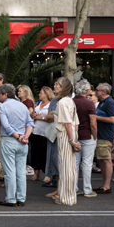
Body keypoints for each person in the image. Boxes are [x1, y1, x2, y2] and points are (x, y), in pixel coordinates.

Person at [0, 83, 34, 207]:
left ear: (5, 94)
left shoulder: (3, 107)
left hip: (10, 140)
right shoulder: (22, 106)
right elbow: (30, 123)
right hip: (23, 141)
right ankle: (21, 198)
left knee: (10, 171)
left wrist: (17, 136)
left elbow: (6, 125)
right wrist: (25, 136)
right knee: (21, 171)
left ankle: (11, 198)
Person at [50, 77, 79, 206]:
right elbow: (75, 122)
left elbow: (67, 123)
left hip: (65, 135)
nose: (55, 86)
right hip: (71, 133)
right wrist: (74, 137)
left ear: (63, 88)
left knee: (65, 167)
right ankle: (70, 196)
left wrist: (71, 139)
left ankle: (66, 198)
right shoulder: (70, 101)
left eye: (58, 84)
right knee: (70, 167)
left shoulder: (62, 102)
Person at [72, 79, 97, 198]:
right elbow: (93, 123)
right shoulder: (89, 104)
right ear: (87, 90)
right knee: (87, 163)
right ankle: (87, 189)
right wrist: (95, 136)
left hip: (74, 135)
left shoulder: (71, 102)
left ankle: (75, 188)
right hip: (87, 135)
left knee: (75, 163)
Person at [93, 83, 114, 194]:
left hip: (105, 135)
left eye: (97, 90)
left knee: (106, 160)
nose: (95, 92)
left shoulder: (110, 103)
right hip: (100, 134)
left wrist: (95, 117)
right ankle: (104, 185)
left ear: (104, 92)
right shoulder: (103, 103)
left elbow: (113, 119)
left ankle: (106, 186)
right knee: (101, 160)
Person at [29, 87, 54, 183]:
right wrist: (33, 115)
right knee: (35, 152)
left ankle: (47, 173)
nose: (39, 94)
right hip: (36, 131)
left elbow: (52, 118)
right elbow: (34, 114)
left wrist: (41, 117)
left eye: (41, 92)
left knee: (45, 153)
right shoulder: (38, 104)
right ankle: (36, 172)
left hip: (45, 132)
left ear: (46, 94)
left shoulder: (51, 104)